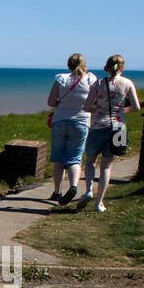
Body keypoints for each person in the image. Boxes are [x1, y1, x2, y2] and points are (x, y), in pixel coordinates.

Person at [80, 54, 140, 212]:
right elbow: (136, 107)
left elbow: (86, 107)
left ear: (106, 67)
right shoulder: (127, 83)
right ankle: (100, 203)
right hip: (118, 127)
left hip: (98, 126)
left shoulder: (98, 84)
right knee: (106, 166)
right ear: (122, 67)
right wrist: (120, 111)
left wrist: (98, 110)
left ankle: (88, 191)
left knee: (90, 161)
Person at [46, 54, 96, 205]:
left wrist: (62, 102)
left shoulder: (61, 79)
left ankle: (57, 192)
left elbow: (50, 101)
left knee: (58, 158)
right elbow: (95, 100)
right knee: (75, 158)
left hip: (60, 121)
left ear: (68, 65)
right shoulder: (91, 79)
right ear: (84, 64)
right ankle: (73, 186)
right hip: (81, 122)